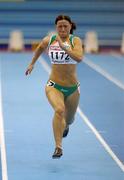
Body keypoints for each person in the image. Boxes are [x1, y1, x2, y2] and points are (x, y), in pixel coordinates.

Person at [25, 15, 83, 159]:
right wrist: (32, 63)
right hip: (54, 85)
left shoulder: (75, 41)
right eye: (59, 26)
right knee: (59, 110)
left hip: (72, 88)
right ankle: (58, 147)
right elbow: (39, 48)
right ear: (56, 27)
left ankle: (67, 125)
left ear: (70, 27)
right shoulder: (49, 39)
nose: (62, 28)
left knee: (68, 119)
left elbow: (79, 58)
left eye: (65, 26)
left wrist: (64, 48)